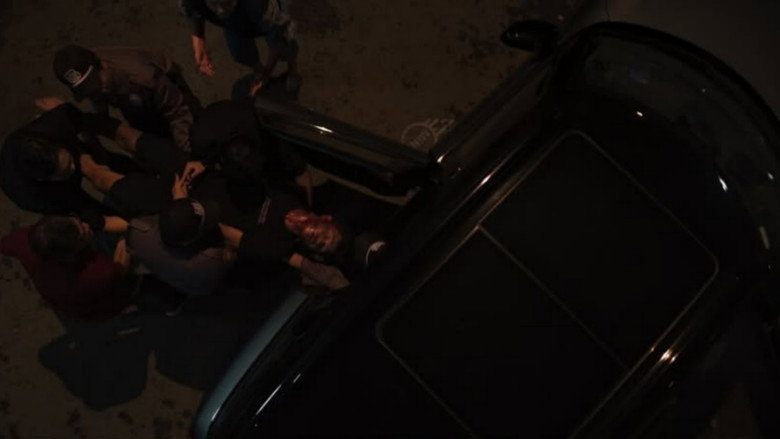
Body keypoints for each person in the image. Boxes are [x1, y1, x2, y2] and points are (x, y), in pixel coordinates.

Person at [51, 44, 200, 151]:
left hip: (166, 89)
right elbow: (97, 99)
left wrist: (186, 154)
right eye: (88, 90)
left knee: (195, 130)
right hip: (131, 100)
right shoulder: (90, 68)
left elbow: (178, 113)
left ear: (103, 65)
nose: (98, 91)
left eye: (96, 84)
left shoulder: (144, 77)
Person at [0, 99, 136, 215]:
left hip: (63, 142)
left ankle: (137, 171)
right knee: (90, 209)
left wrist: (97, 151)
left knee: (109, 160)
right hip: (54, 191)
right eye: (66, 170)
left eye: (70, 162)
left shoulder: (58, 121)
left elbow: (92, 125)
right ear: (44, 178)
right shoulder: (32, 196)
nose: (74, 167)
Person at [0, 214, 132, 320]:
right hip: (95, 308)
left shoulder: (26, 239)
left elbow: (4, 245)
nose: (87, 225)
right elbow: (120, 268)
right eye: (83, 235)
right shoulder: (94, 273)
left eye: (78, 221)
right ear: (71, 255)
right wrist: (127, 238)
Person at [179, 0, 301, 95]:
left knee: (286, 43)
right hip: (238, 17)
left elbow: (279, 38)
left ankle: (293, 70)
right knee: (240, 52)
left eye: (226, 3)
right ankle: (257, 70)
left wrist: (266, 76)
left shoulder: (259, 5)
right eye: (215, 3)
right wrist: (199, 47)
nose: (220, 11)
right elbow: (193, 10)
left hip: (269, 13)